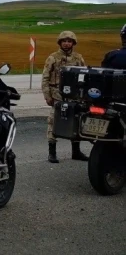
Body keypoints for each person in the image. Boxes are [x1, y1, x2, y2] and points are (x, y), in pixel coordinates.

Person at [41, 30, 88, 163]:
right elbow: (45, 77)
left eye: (69, 41)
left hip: (74, 95)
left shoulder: (78, 58)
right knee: (53, 120)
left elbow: (85, 75)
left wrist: (83, 96)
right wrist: (47, 95)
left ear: (73, 43)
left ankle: (76, 151)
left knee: (77, 121)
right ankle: (52, 152)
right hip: (57, 94)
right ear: (60, 43)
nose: (67, 44)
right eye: (64, 41)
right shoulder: (53, 57)